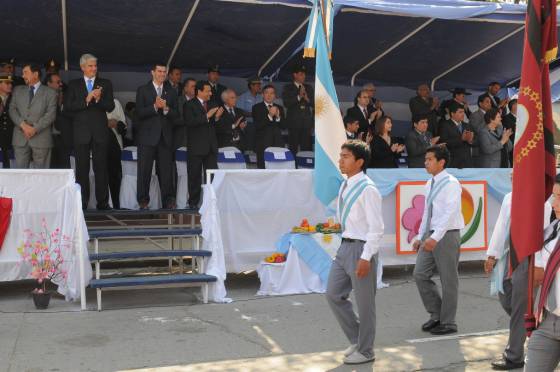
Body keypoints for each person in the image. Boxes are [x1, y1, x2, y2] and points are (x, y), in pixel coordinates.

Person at [326, 140, 383, 365]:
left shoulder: (368, 189)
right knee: (333, 294)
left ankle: (366, 350)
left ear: (359, 162)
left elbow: (376, 228)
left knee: (365, 303)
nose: (340, 160)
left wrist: (366, 257)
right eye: (340, 156)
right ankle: (357, 338)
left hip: (361, 248)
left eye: (346, 156)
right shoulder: (345, 184)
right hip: (345, 246)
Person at [484, 188, 552, 370]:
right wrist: (492, 254)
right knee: (505, 295)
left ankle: (514, 356)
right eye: (512, 175)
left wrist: (538, 264)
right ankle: (535, 326)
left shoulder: (543, 201)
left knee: (520, 307)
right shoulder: (509, 197)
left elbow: (542, 234)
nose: (513, 178)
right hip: (509, 254)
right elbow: (501, 226)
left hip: (529, 257)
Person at [412, 145, 464, 335]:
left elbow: (449, 213)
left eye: (430, 159)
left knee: (448, 279)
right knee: (420, 274)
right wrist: (420, 236)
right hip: (431, 234)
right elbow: (427, 212)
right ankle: (437, 314)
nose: (426, 163)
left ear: (441, 162)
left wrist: (435, 237)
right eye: (425, 159)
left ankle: (449, 321)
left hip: (447, 234)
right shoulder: (429, 183)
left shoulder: (451, 183)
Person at [64, 53, 115, 210]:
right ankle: (82, 202)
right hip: (81, 132)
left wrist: (98, 99)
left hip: (99, 131)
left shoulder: (105, 83)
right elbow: (67, 108)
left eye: (95, 65)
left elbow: (111, 106)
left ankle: (103, 202)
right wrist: (87, 99)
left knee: (101, 167)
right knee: (82, 169)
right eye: (91, 66)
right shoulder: (73, 84)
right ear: (82, 67)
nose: (94, 68)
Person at [525, 175, 560, 371]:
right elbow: (538, 269)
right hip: (547, 322)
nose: (555, 203)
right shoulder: (551, 231)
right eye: (554, 196)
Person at [135, 63, 179, 209]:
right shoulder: (143, 90)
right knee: (144, 170)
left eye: (164, 72)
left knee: (166, 171)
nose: (162, 74)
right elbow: (139, 113)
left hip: (165, 137)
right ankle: (143, 201)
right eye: (159, 71)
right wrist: (154, 107)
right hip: (147, 137)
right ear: (152, 72)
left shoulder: (171, 91)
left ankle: (169, 200)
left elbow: (176, 115)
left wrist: (166, 109)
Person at [9, 63, 57, 169]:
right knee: (20, 174)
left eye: (25, 72)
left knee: (41, 176)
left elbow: (51, 114)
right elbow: (12, 110)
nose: (23, 76)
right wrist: (23, 125)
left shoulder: (50, 92)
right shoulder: (17, 90)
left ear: (35, 74)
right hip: (20, 138)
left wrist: (34, 129)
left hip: (41, 138)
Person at [184, 80, 219, 207]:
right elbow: (190, 122)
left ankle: (211, 203)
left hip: (210, 147)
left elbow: (214, 126)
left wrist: (216, 118)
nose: (210, 93)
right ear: (199, 91)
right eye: (208, 91)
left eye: (210, 91)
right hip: (196, 147)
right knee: (194, 176)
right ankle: (193, 204)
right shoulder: (189, 105)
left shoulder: (212, 104)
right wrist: (207, 116)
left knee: (213, 177)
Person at [282, 65, 314, 155]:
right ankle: (293, 167)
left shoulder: (308, 87)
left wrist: (307, 98)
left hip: (306, 123)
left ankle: (306, 167)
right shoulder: (288, 88)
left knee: (306, 147)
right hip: (293, 123)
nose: (303, 76)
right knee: (293, 147)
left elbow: (315, 104)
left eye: (304, 74)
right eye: (301, 74)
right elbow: (286, 103)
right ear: (295, 75)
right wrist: (299, 97)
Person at [252, 84, 285, 169]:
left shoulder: (279, 108)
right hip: (263, 144)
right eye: (267, 93)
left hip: (277, 143)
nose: (269, 95)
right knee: (263, 170)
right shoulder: (256, 107)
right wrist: (270, 115)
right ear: (262, 95)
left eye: (272, 93)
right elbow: (258, 126)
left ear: (275, 95)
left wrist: (278, 117)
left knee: (278, 168)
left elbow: (284, 126)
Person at [46, 72, 73, 169]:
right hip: (47, 139)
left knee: (64, 169)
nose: (60, 84)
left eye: (60, 82)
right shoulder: (42, 98)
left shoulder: (67, 95)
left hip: (64, 139)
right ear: (49, 84)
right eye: (57, 82)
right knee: (50, 170)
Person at [438, 102, 475, 168]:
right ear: (452, 114)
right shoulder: (445, 125)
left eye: (463, 112)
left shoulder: (467, 125)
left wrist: (471, 141)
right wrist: (461, 139)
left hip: (467, 162)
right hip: (453, 162)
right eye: (460, 112)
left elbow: (474, 141)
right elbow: (444, 143)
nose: (463, 114)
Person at [106, 99, 127, 209]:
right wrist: (105, 123)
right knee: (102, 176)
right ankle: (104, 204)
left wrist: (117, 123)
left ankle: (116, 204)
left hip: (115, 145)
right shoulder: (90, 100)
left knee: (115, 176)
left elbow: (124, 126)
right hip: (98, 144)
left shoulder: (116, 103)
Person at [237, 75, 263, 152]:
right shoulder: (243, 97)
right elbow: (239, 111)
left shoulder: (261, 97)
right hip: (248, 123)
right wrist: (252, 114)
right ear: (251, 86)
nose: (259, 87)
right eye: (258, 85)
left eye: (260, 85)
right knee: (250, 132)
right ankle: (249, 154)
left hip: (259, 124)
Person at [176, 77, 196, 150]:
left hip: (197, 139)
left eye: (196, 86)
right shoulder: (178, 101)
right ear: (185, 88)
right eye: (192, 86)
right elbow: (179, 118)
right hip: (182, 138)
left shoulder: (200, 101)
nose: (195, 88)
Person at [0, 75, 14, 168]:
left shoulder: (15, 99)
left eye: (11, 83)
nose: (10, 85)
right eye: (7, 83)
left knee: (11, 165)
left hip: (11, 137)